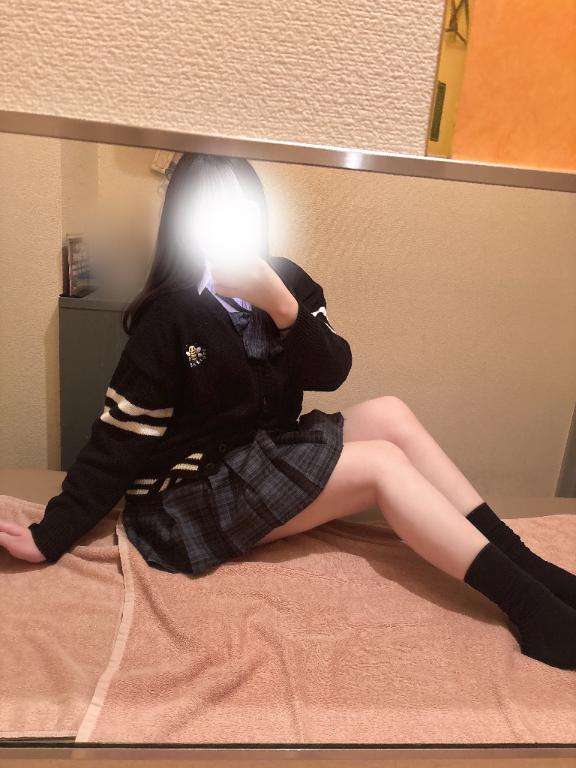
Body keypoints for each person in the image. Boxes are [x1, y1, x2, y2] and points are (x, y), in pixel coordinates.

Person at [1, 152, 575, 671]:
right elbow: (118, 439)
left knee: (391, 414)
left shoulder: (287, 281)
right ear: (184, 223)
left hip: (262, 457)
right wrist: (51, 534)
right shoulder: (172, 313)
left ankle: (529, 566)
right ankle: (533, 610)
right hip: (187, 498)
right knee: (382, 464)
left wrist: (281, 306)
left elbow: (332, 371)